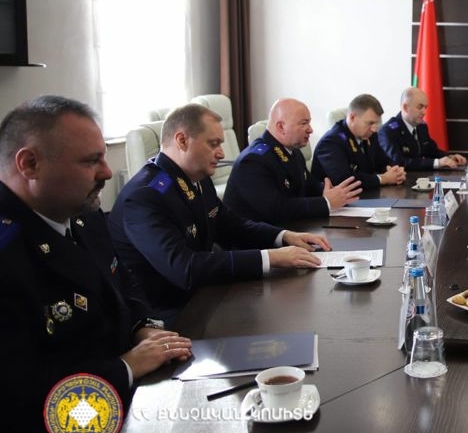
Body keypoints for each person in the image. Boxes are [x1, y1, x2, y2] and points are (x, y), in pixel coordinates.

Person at [0, 96, 192, 433]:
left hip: (128, 408)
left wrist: (142, 327)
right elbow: (18, 409)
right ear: (29, 164)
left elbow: (122, 287)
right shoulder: (8, 255)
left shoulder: (81, 217)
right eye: (91, 161)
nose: (107, 171)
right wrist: (125, 367)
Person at [108, 104, 328, 324]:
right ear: (182, 140)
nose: (222, 153)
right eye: (213, 144)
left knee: (294, 310)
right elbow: (185, 268)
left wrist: (284, 236)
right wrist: (271, 258)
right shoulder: (145, 196)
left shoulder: (198, 179)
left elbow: (233, 226)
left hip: (202, 294)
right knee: (279, 319)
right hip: (166, 315)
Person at [224, 98, 361, 222]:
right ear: (281, 127)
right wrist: (326, 202)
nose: (310, 130)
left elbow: (309, 185)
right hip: (253, 238)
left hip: (288, 228)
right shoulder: (253, 161)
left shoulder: (293, 151)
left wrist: (331, 191)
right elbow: (276, 209)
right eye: (304, 123)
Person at [312, 94, 406, 189]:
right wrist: (382, 179)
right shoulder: (330, 142)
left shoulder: (369, 135)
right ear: (352, 117)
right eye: (370, 123)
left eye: (376, 123)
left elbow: (383, 161)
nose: (374, 129)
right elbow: (344, 179)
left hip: (367, 194)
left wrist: (395, 171)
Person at [378, 87, 466, 171]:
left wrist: (449, 157)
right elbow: (399, 162)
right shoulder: (388, 131)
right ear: (405, 107)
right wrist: (436, 163)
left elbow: (431, 151)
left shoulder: (421, 126)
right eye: (420, 107)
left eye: (425, 107)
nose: (424, 112)